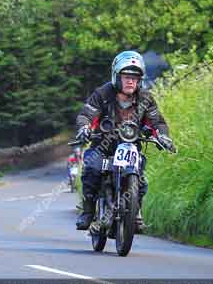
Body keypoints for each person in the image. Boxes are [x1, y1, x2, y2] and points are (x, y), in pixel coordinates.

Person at [74, 50, 174, 233]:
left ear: (140, 80)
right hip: (103, 147)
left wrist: (163, 136)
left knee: (141, 179)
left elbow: (156, 121)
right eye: (127, 76)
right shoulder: (103, 93)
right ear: (117, 77)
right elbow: (87, 115)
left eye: (135, 78)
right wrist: (85, 128)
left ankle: (136, 214)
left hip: (131, 147)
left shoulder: (145, 98)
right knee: (91, 169)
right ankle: (88, 212)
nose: (130, 81)